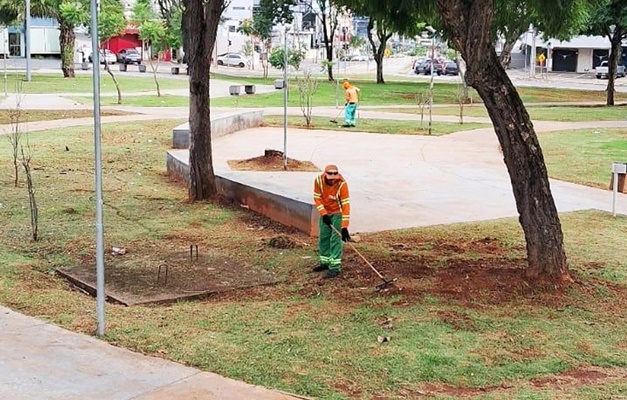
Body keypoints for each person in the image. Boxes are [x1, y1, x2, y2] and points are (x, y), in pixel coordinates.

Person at [312, 164, 351, 279]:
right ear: (325, 175)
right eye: (330, 179)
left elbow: (346, 205)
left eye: (335, 178)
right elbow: (317, 197)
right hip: (326, 213)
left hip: (338, 214)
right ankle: (325, 261)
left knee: (335, 239)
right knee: (324, 237)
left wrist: (344, 227)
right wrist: (324, 214)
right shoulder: (318, 181)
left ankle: (334, 267)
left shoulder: (342, 184)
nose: (333, 181)